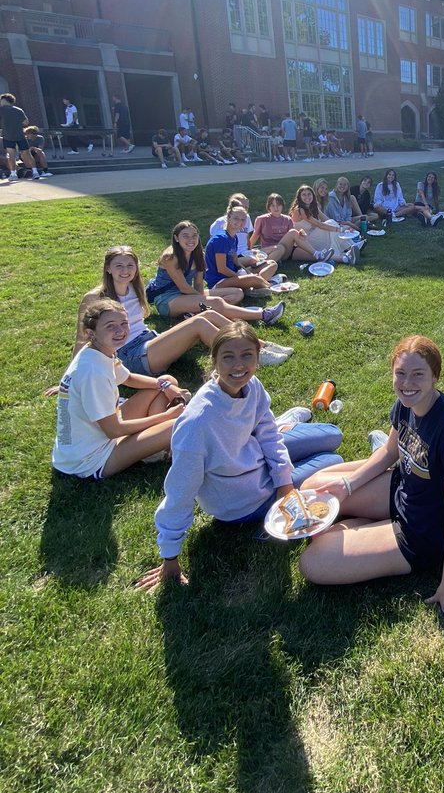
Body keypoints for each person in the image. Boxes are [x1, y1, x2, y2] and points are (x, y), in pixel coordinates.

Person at [137, 323, 343, 589]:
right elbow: (179, 492)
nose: (238, 365)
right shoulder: (197, 423)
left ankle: (286, 425)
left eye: (247, 355)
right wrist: (170, 557)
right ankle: (285, 436)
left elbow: (268, 433)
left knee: (332, 434)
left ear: (258, 357)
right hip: (243, 500)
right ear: (214, 361)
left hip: (255, 456)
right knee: (333, 461)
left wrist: (284, 481)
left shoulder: (252, 385)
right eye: (228, 357)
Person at [297, 335, 444, 632]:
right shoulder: (405, 403)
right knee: (311, 489)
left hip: (422, 533)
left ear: (435, 376)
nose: (407, 383)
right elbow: (390, 452)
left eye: (418, 374)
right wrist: (348, 486)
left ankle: (360, 529)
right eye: (400, 373)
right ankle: (358, 526)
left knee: (312, 562)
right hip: (401, 489)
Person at [74, 246, 292, 376]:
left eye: (130, 266)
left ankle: (260, 345)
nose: (125, 271)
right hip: (130, 356)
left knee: (206, 314)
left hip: (149, 341)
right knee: (199, 323)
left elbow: (143, 318)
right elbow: (81, 342)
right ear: (108, 268)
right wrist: (71, 379)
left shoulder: (133, 288)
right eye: (119, 266)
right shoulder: (95, 298)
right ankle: (249, 356)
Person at [52, 298, 187, 479]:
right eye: (110, 326)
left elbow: (128, 378)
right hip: (89, 460)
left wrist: (165, 385)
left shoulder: (98, 350)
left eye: (124, 323)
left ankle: (154, 445)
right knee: (178, 424)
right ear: (91, 333)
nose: (121, 331)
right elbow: (113, 430)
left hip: (96, 438)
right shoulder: (93, 372)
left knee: (166, 381)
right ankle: (155, 446)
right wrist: (165, 417)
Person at [147, 221, 287, 326]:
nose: (191, 240)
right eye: (185, 236)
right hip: (167, 299)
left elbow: (198, 283)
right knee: (215, 302)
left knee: (237, 293)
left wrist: (201, 299)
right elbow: (183, 287)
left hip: (188, 294)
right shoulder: (170, 257)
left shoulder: (199, 255)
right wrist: (204, 300)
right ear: (176, 238)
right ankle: (264, 314)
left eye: (194, 236)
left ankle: (196, 313)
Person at [206, 205, 281, 291]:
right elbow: (222, 269)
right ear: (228, 218)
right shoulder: (221, 239)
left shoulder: (234, 237)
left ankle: (257, 285)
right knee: (253, 279)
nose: (239, 222)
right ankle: (270, 286)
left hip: (232, 275)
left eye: (243, 219)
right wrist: (244, 277)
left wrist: (247, 273)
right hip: (219, 281)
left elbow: (236, 262)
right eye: (236, 218)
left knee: (272, 263)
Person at [289, 184, 361, 263]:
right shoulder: (299, 210)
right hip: (305, 241)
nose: (307, 197)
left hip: (313, 235)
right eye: (304, 195)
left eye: (309, 194)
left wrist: (341, 226)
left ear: (313, 195)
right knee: (331, 227)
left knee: (331, 223)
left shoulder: (313, 206)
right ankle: (348, 250)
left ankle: (351, 247)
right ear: (299, 197)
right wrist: (339, 229)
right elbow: (320, 225)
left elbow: (326, 219)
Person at [249, 193, 319, 264]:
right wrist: (247, 251)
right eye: (273, 205)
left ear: (282, 205)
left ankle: (320, 255)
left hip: (286, 250)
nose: (276, 208)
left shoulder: (288, 219)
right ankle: (268, 262)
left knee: (314, 257)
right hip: (270, 251)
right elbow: (255, 236)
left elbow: (293, 240)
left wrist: (301, 236)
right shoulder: (262, 219)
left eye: (278, 205)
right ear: (269, 207)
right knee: (292, 234)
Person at [0, 92, 41, 181]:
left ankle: (13, 174)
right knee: (27, 153)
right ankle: (35, 172)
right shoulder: (19, 110)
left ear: (5, 100)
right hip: (20, 135)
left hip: (8, 136)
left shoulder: (1, 110)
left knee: (11, 155)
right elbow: (25, 122)